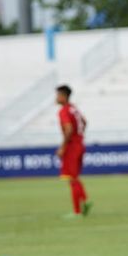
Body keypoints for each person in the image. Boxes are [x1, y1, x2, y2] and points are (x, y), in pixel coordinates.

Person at [55, 85, 92, 217]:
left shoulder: (64, 110)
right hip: (80, 144)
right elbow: (85, 122)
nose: (56, 98)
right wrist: (79, 137)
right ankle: (85, 201)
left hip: (72, 147)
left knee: (72, 178)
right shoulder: (74, 108)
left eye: (58, 95)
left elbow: (69, 129)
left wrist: (63, 147)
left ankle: (78, 210)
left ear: (64, 96)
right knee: (74, 177)